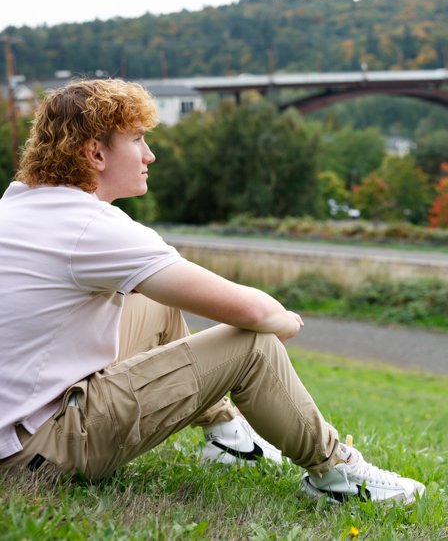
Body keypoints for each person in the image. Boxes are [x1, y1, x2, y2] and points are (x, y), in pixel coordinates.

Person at [0, 79, 424, 505]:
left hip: (16, 433)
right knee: (251, 345)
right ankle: (337, 476)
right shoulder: (90, 227)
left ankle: (228, 438)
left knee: (151, 300)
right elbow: (251, 312)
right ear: (95, 153)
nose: (150, 154)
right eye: (137, 140)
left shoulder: (18, 203)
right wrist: (282, 321)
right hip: (36, 453)